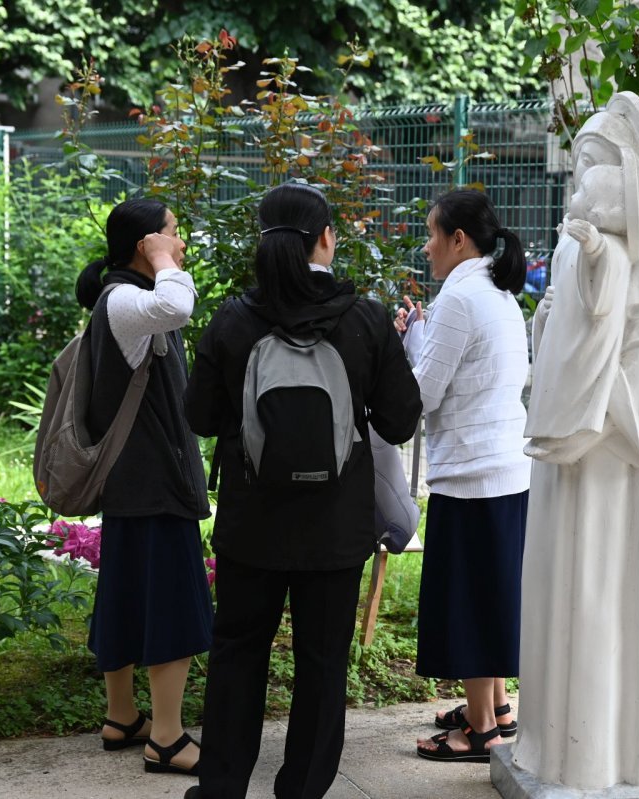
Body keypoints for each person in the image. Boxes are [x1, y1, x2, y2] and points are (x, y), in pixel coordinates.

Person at [182, 182, 421, 799]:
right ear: (325, 240)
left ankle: (221, 789)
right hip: (335, 531)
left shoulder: (235, 318)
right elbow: (400, 420)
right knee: (321, 664)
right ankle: (302, 790)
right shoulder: (365, 318)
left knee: (237, 655)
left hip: (251, 524)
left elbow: (200, 416)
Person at [513, 91, 639, 790]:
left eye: (594, 163)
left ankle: (602, 754)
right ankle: (549, 741)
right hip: (565, 451)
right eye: (578, 165)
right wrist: (550, 331)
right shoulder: (572, 240)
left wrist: (606, 399)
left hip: (615, 452)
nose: (583, 182)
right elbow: (562, 330)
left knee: (603, 596)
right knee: (558, 587)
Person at [74, 198, 214, 776]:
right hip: (155, 482)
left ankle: (121, 716)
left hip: (135, 482)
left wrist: (158, 253)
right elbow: (179, 304)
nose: (180, 246)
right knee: (171, 606)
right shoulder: (130, 300)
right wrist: (162, 258)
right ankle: (166, 737)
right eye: (173, 234)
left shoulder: (122, 300)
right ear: (144, 245)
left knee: (128, 596)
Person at [403, 190, 531, 763]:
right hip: (504, 469)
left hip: (472, 476)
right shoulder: (497, 292)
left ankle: (479, 732)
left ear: (459, 239)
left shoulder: (460, 298)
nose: (426, 247)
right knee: (491, 594)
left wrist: (407, 344)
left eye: (432, 234)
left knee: (473, 603)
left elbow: (423, 394)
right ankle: (498, 709)